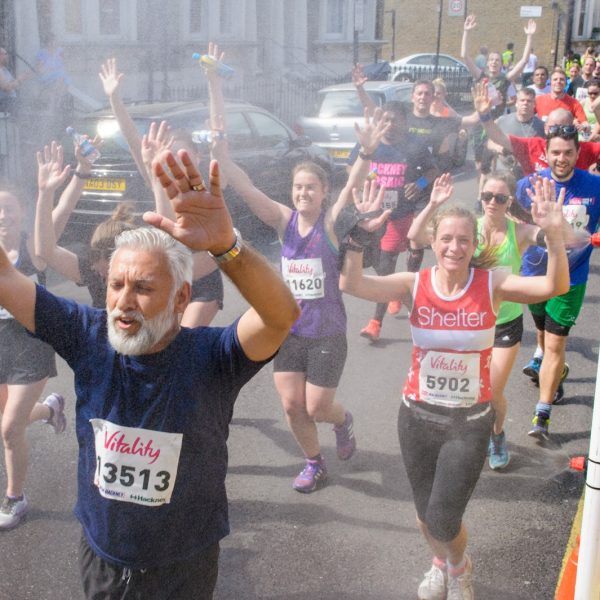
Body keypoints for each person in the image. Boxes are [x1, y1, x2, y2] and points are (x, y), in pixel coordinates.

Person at [0, 148, 299, 598]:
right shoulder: (87, 335)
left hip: (184, 566)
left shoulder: (213, 357)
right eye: (116, 285)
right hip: (102, 557)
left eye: (142, 288)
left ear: (181, 299)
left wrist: (226, 247)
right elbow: (6, 281)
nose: (123, 300)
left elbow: (279, 316)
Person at [339, 176, 569, 600]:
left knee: (443, 517)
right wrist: (356, 235)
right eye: (447, 238)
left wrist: (554, 237)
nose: (455, 248)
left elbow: (554, 287)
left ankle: (459, 568)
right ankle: (438, 562)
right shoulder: (415, 283)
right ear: (433, 240)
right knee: (424, 516)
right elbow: (352, 284)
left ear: (473, 242)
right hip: (416, 418)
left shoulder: (491, 284)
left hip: (469, 423)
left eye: (464, 240)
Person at [207, 43, 386, 491]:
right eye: (297, 187)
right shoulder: (282, 219)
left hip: (326, 334)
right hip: (288, 332)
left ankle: (343, 422)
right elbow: (239, 179)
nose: (303, 193)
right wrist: (214, 88)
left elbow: (352, 187)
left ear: (323, 192)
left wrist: (364, 154)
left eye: (311, 187)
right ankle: (314, 461)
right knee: (291, 406)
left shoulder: (328, 223)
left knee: (318, 406)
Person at [407, 171, 561, 471]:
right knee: (459, 388)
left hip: (503, 326)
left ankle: (497, 434)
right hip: (465, 322)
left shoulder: (520, 232)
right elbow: (414, 237)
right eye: (487, 196)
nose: (492, 202)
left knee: (490, 392)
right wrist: (433, 203)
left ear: (509, 201)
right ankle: (456, 437)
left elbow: (558, 239)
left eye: (500, 198)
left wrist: (552, 228)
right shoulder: (467, 229)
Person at [99, 58, 225, 326]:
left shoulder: (210, 185)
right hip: (168, 280)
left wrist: (213, 82)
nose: (177, 160)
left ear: (197, 155)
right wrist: (115, 100)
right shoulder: (160, 181)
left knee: (185, 335)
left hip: (202, 279)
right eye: (170, 154)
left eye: (183, 153)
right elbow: (134, 142)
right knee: (165, 345)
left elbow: (218, 130)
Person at [516, 127, 600, 439]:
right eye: (555, 152)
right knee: (541, 335)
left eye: (567, 152)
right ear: (546, 154)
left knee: (554, 343)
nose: (561, 158)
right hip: (535, 276)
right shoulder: (529, 185)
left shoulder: (594, 185)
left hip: (571, 278)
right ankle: (557, 371)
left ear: (578, 154)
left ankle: (542, 414)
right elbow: (512, 221)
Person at [0, 178, 66, 530]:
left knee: (9, 429)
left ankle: (15, 499)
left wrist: (53, 189)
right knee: (11, 420)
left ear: (21, 213)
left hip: (30, 349)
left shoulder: (34, 250)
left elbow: (57, 218)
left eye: (8, 208)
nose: (1, 215)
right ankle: (51, 409)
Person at [473, 81, 600, 174]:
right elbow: (497, 137)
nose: (559, 134)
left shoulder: (584, 149)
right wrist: (484, 114)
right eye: (554, 129)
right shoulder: (534, 145)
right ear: (546, 129)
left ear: (573, 129)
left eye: (565, 129)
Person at [461, 14, 536, 172]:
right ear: (487, 63)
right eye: (491, 60)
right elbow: (465, 56)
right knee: (480, 163)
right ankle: (482, 189)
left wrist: (529, 37)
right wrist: (466, 31)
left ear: (502, 64)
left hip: (496, 123)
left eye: (497, 60)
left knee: (494, 157)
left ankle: (492, 187)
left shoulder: (506, 78)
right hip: (479, 122)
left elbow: (523, 61)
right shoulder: (480, 76)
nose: (494, 62)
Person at [485, 87, 545, 179]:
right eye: (522, 100)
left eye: (529, 101)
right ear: (516, 103)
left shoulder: (541, 126)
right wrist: (498, 148)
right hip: (504, 172)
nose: (525, 103)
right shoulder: (502, 120)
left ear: (534, 104)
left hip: (528, 175)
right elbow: (490, 142)